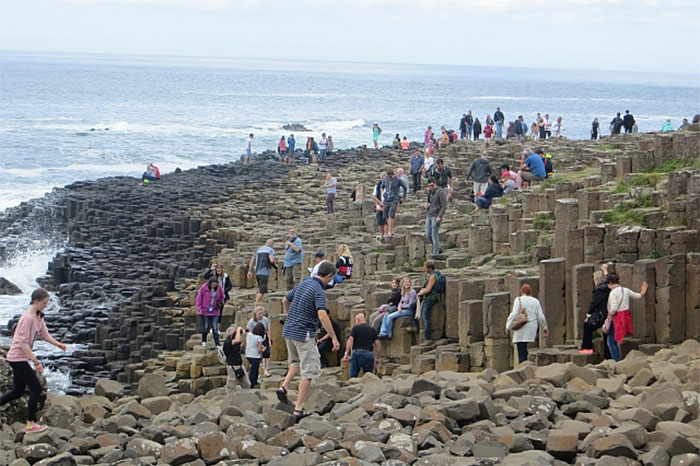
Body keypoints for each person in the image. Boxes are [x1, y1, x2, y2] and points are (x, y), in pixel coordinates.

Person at [277, 262, 339, 421]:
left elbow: (285, 300)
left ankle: (283, 387)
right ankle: (298, 408)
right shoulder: (319, 291)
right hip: (304, 333)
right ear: (329, 276)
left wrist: (291, 316)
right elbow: (322, 315)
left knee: (295, 362)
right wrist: (333, 337)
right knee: (309, 371)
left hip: (289, 330)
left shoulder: (304, 283)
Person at [0, 289, 67, 433]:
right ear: (36, 301)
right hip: (16, 358)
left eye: (47, 303)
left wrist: (58, 344)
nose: (46, 305)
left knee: (17, 392)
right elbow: (23, 344)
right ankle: (31, 424)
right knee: (36, 388)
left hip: (21, 358)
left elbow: (44, 334)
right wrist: (36, 362)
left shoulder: (38, 316)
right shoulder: (27, 318)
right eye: (44, 303)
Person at [605, 273, 647, 362]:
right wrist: (643, 291)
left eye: (607, 284)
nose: (607, 286)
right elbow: (638, 296)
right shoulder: (625, 290)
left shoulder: (613, 293)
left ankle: (617, 361)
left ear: (610, 283)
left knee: (611, 342)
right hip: (625, 316)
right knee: (615, 339)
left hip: (617, 318)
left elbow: (614, 308)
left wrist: (609, 316)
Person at [505, 284, 549, 364]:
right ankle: (528, 363)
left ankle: (523, 364)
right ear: (530, 292)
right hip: (532, 326)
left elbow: (513, 314)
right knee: (526, 344)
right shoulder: (535, 301)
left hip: (522, 325)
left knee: (520, 345)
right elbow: (540, 316)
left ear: (521, 291)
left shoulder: (518, 300)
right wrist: (545, 327)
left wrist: (508, 326)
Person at [579, 265, 611, 356]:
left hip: (601, 314)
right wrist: (605, 270)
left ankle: (587, 348)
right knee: (606, 335)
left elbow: (594, 304)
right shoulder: (609, 287)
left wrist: (588, 315)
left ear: (597, 279)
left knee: (587, 326)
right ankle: (607, 356)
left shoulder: (600, 290)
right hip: (608, 314)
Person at [343, 314, 381, 378]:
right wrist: (378, 358)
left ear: (357, 320)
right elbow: (378, 344)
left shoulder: (355, 328)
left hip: (357, 353)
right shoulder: (372, 329)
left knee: (353, 376)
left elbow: (350, 340)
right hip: (369, 354)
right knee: (369, 377)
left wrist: (346, 353)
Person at [196, 277, 225, 348]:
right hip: (205, 311)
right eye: (213, 284)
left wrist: (221, 303)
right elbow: (199, 299)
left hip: (215, 311)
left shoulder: (219, 289)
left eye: (215, 284)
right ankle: (204, 341)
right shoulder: (203, 288)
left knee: (215, 328)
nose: (214, 285)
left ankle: (217, 344)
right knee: (205, 327)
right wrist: (199, 308)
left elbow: (222, 297)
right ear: (210, 283)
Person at [416, 261, 439, 344]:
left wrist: (420, 293)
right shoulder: (435, 274)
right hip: (429, 297)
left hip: (430, 298)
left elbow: (429, 289)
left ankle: (428, 338)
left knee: (425, 317)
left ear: (430, 268)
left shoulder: (433, 276)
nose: (424, 269)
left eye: (425, 267)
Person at [381, 168, 408, 238]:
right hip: (386, 199)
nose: (389, 178)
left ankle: (390, 231)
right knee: (386, 216)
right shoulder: (385, 179)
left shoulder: (398, 180)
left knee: (391, 215)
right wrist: (383, 194)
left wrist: (403, 197)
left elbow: (405, 188)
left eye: (391, 176)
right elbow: (382, 187)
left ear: (393, 175)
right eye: (388, 176)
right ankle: (389, 231)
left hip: (394, 199)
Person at [247, 239, 276, 303]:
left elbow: (252, 260)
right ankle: (256, 304)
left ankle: (260, 302)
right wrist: (275, 263)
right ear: (271, 244)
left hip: (257, 271)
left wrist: (250, 271)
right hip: (264, 271)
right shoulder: (270, 250)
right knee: (262, 290)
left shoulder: (259, 250)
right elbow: (272, 260)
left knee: (261, 287)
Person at [424, 177, 447, 260]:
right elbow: (429, 202)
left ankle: (435, 253)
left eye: (432, 185)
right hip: (429, 214)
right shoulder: (429, 192)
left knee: (434, 234)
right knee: (428, 234)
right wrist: (426, 206)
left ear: (435, 183)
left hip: (436, 216)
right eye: (429, 186)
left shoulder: (440, 192)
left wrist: (439, 216)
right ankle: (438, 247)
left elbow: (444, 205)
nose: (430, 187)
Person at [223, 326, 250, 391]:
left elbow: (243, 347)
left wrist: (245, 336)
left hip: (240, 365)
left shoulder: (235, 342)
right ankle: (230, 399)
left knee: (247, 384)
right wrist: (238, 329)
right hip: (232, 366)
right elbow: (237, 340)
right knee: (231, 386)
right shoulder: (227, 342)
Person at [247, 307, 272, 377]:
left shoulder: (265, 320)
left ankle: (266, 370)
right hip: (256, 340)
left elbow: (268, 330)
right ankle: (259, 370)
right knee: (258, 354)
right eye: (259, 313)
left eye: (262, 313)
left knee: (266, 354)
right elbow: (250, 333)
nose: (261, 315)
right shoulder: (251, 322)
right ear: (255, 314)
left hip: (264, 338)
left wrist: (269, 340)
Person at [246, 322, 267, 388]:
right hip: (255, 355)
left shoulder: (249, 334)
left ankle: (253, 381)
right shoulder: (259, 338)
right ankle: (252, 383)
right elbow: (259, 349)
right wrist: (263, 349)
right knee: (254, 370)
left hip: (248, 354)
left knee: (252, 368)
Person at [371, 172, 387, 239]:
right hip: (379, 205)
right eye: (381, 178)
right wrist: (380, 202)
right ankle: (382, 234)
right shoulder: (377, 185)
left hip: (388, 204)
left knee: (387, 221)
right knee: (380, 221)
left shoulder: (390, 184)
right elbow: (374, 196)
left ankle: (386, 234)